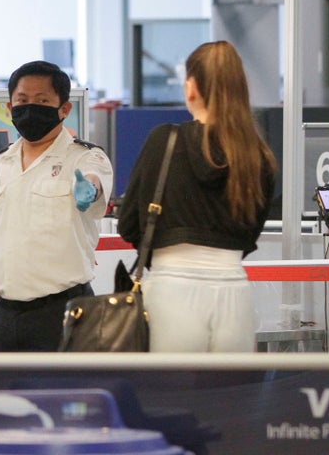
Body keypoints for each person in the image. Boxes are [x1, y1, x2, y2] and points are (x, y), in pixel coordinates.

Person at [0, 60, 113, 352]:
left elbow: (95, 180)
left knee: (62, 397)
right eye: (22, 100)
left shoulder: (84, 158)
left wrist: (90, 188)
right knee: (0, 398)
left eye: (42, 100)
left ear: (64, 109)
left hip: (63, 312)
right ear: (10, 108)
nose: (30, 107)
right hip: (2, 318)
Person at [117, 41, 277, 353]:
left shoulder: (164, 140)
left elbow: (129, 224)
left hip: (170, 288)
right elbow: (251, 232)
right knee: (229, 397)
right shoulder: (257, 155)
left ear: (191, 88)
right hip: (234, 291)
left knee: (173, 397)